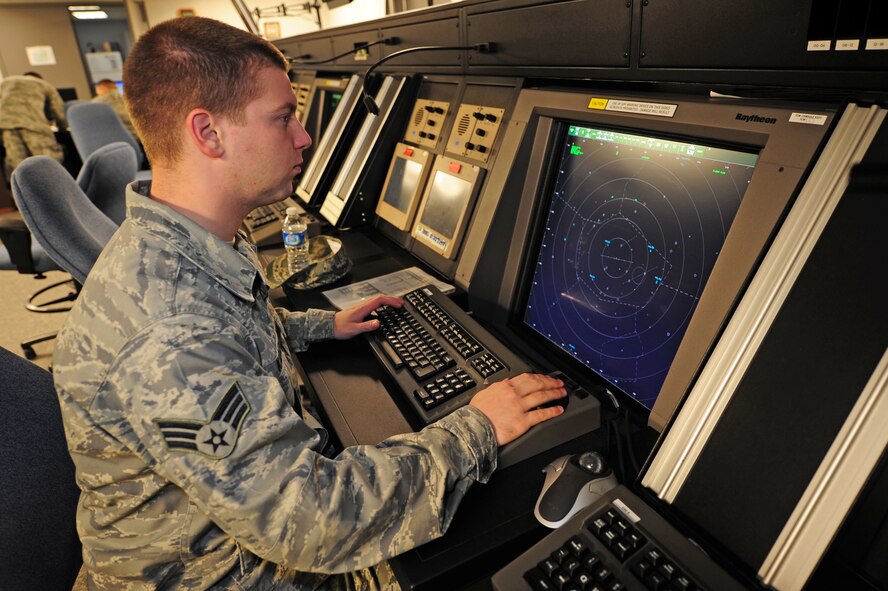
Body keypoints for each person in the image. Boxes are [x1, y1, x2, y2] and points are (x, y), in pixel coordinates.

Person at [52, 16, 566, 590]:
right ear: (208, 134)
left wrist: (321, 326)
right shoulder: (171, 334)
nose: (303, 137)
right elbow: (312, 519)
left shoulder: (192, 236)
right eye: (283, 118)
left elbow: (234, 330)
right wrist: (477, 430)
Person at [0, 71, 67, 178]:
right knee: (49, 164)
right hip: (34, 125)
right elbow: (58, 111)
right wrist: (63, 128)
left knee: (19, 168)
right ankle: (55, 192)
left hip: (7, 127)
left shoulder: (6, 82)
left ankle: (27, 194)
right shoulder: (43, 84)